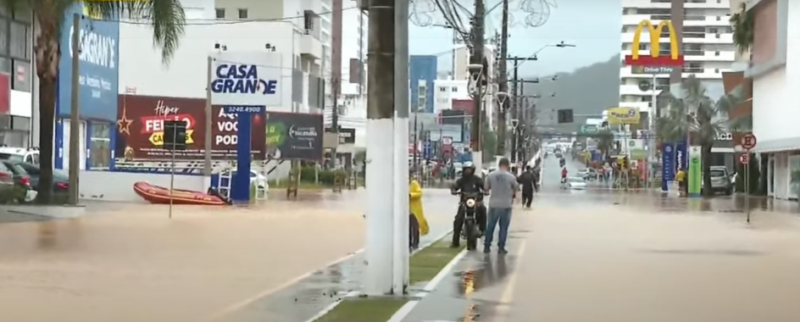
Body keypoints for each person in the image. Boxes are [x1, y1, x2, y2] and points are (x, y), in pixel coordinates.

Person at [484, 158, 519, 254]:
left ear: (499, 165)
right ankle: (501, 247)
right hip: (506, 205)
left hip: (494, 204)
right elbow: (516, 187)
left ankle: (487, 246)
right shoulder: (511, 177)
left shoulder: (491, 175)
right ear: (508, 166)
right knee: (503, 228)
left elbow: (486, 188)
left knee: (490, 226)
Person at [450, 161, 487, 248]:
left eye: (469, 169)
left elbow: (484, 187)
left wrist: (486, 190)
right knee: (458, 219)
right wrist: (454, 190)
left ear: (473, 170)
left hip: (476, 202)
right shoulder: (461, 180)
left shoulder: (477, 179)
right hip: (464, 203)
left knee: (483, 209)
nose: (468, 171)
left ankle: (483, 229)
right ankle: (455, 241)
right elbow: (455, 186)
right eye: (466, 169)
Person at [409, 177, 430, 249]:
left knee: (415, 227)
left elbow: (419, 193)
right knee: (408, 228)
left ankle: (415, 243)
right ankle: (409, 243)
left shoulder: (414, 184)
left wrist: (411, 195)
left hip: (414, 210)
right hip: (406, 211)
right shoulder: (401, 184)